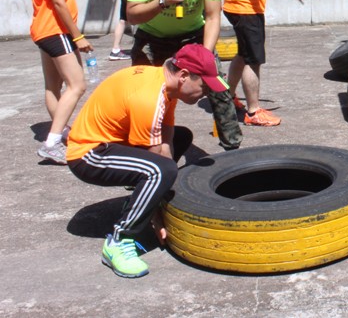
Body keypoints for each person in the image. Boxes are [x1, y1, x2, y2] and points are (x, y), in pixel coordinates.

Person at [67, 44, 228, 278]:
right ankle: (119, 241)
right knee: (159, 171)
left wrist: (161, 190)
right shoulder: (148, 98)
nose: (206, 93)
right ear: (184, 76)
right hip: (89, 155)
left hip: (116, 144)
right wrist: (158, 219)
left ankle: (142, 200)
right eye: (204, 86)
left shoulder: (165, 85)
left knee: (181, 139)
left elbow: (167, 137)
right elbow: (157, 161)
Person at [126, 0, 243, 150]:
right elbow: (132, 15)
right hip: (152, 37)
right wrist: (162, 1)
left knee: (217, 86)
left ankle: (232, 144)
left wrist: (205, 56)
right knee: (143, 96)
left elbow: (212, 16)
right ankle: (143, 154)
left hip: (194, 35)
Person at [22, 0, 92, 164]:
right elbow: (59, 2)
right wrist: (78, 36)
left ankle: (59, 132)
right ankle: (52, 143)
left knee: (53, 86)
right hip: (56, 30)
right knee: (77, 85)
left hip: (41, 30)